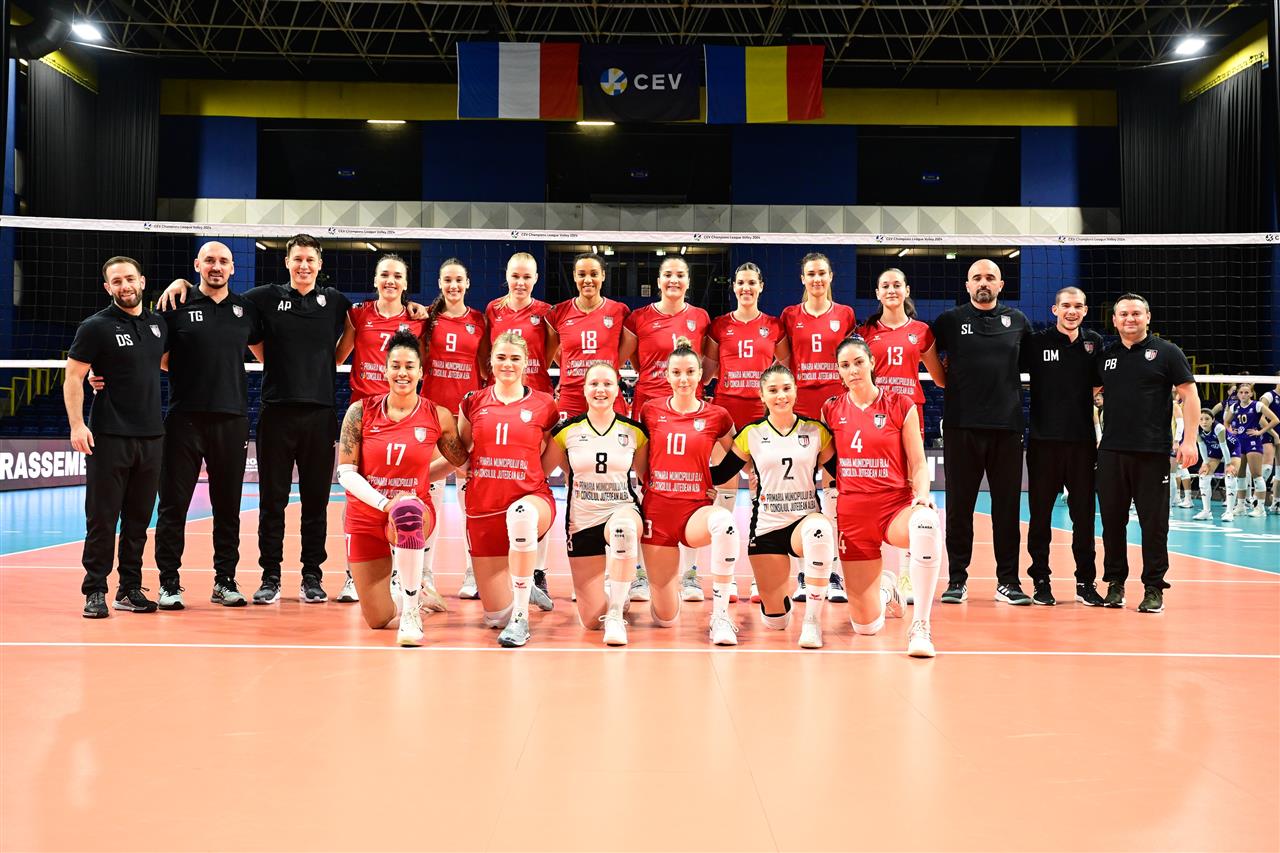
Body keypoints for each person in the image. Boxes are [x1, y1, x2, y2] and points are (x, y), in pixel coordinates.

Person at [158, 235, 429, 604]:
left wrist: (413, 306)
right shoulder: (262, 298)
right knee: (272, 502)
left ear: (319, 265)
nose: (304, 266)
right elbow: (224, 302)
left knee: (316, 503)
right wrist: (183, 284)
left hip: (319, 414)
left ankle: (311, 577)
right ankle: (270, 577)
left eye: (310, 260)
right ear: (287, 262)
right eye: (297, 259)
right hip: (276, 413)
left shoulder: (335, 302)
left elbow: (356, 337)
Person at [335, 331, 468, 646]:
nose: (402, 373)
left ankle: (411, 612)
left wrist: (422, 477)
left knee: (407, 512)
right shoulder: (360, 412)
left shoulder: (437, 416)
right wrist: (385, 504)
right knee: (377, 618)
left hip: (414, 512)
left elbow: (460, 462)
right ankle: (416, 592)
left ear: (421, 372)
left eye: (409, 366)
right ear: (385, 370)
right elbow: (345, 473)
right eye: (395, 366)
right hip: (366, 515)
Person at [152, 242, 260, 609]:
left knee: (227, 507)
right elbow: (156, 356)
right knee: (173, 506)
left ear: (233, 268)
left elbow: (264, 351)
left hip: (231, 419)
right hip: (184, 418)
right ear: (197, 264)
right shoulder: (175, 304)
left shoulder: (245, 310)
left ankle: (224, 581)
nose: (216, 266)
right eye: (210, 260)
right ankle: (169, 583)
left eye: (223, 261)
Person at [822, 337, 942, 657]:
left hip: (893, 509)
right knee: (866, 626)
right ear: (839, 371)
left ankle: (921, 626)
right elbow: (824, 461)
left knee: (927, 522)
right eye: (845, 365)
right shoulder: (831, 409)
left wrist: (923, 495)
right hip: (853, 517)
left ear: (872, 363)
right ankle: (887, 589)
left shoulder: (900, 405)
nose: (853, 370)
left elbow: (918, 463)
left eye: (858, 362)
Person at [65, 257, 168, 617]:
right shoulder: (95, 326)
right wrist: (77, 425)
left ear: (142, 281)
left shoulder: (158, 324)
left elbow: (163, 363)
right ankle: (95, 590)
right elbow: (73, 377)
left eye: (130, 279)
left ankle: (129, 589)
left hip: (152, 436)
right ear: (108, 287)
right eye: (117, 281)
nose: (125, 286)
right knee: (102, 518)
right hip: (109, 435)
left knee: (138, 520)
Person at [708, 365, 837, 649]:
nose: (781, 396)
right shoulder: (751, 433)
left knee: (820, 529)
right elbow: (722, 473)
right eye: (773, 390)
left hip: (804, 520)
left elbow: (840, 472)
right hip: (767, 526)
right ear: (762, 395)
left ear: (796, 391)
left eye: (787, 388)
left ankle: (812, 622)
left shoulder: (815, 431)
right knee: (775, 621)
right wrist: (693, 478)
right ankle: (780, 604)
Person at [930, 258, 1032, 606]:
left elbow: (1033, 364)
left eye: (990, 277)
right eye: (977, 278)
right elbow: (924, 350)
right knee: (959, 508)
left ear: (1001, 285)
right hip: (961, 426)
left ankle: (1008, 582)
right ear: (968, 285)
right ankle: (957, 580)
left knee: (1007, 509)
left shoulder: (1018, 321)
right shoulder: (949, 321)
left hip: (1007, 428)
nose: (983, 282)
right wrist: (941, 375)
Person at [1094, 293, 1200, 613]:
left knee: (1154, 525)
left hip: (1152, 452)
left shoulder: (1167, 352)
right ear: (1114, 320)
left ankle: (1154, 587)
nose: (1130, 318)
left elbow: (1190, 395)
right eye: (1124, 314)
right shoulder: (1106, 356)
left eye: (1136, 313)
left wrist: (1189, 441)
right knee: (1112, 523)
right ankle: (1115, 583)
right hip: (1111, 451)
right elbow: (1086, 394)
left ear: (1148, 317)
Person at [333, 253, 428, 604]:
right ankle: (352, 575)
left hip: (404, 415)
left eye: (397, 275)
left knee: (406, 491)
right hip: (365, 415)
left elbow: (423, 364)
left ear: (406, 283)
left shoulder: (418, 320)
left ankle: (406, 574)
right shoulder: (358, 315)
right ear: (375, 280)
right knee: (357, 492)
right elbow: (338, 357)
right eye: (384, 274)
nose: (390, 280)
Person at [458, 331, 561, 647]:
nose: (508, 364)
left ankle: (521, 618)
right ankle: (524, 588)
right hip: (483, 507)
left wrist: (529, 478)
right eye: (501, 357)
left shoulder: (544, 404)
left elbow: (552, 453)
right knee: (494, 618)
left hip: (530, 499)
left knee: (521, 514)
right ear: (490, 361)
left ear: (526, 362)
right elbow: (461, 452)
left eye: (515, 358)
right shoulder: (472, 402)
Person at [622, 256, 715, 604]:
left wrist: (690, 388)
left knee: (692, 487)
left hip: (690, 414)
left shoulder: (700, 317)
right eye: (667, 275)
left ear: (688, 281)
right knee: (647, 486)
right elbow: (631, 360)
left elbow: (706, 365)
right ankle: (640, 574)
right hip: (650, 412)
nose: (673, 280)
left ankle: (690, 574)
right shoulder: (639, 318)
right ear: (658, 280)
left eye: (679, 275)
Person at [637, 337, 741, 645]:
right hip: (658, 513)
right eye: (677, 372)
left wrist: (711, 478)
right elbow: (641, 460)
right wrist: (651, 484)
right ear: (667, 375)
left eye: (690, 372)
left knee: (725, 523)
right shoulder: (650, 410)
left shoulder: (717, 415)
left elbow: (738, 454)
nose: (683, 379)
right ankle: (659, 597)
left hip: (695, 511)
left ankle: (720, 616)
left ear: (700, 375)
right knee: (665, 618)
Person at [542, 363, 647, 646]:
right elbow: (539, 473)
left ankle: (616, 612)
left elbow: (650, 479)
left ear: (617, 389)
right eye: (594, 384)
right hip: (582, 520)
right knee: (590, 621)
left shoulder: (635, 432)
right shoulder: (567, 431)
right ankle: (614, 594)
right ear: (584, 389)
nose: (601, 390)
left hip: (622, 508)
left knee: (623, 530)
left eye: (608, 384)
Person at [857, 267, 945, 605]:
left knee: (911, 490)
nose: (891, 290)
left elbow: (940, 378)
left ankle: (907, 574)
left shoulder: (921, 332)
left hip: (909, 415)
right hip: (874, 417)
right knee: (875, 487)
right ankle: (877, 573)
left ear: (906, 290)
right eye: (885, 286)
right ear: (877, 293)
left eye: (897, 285)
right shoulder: (865, 332)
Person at [1018, 286, 1105, 607]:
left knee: (1084, 517)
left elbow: (1101, 384)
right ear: (1055, 310)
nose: (1072, 311)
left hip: (1082, 444)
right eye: (1066, 305)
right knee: (1040, 516)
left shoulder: (1094, 343)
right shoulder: (1036, 342)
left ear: (1085, 310)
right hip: (1043, 443)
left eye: (1078, 306)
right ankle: (1041, 581)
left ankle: (1085, 582)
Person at [779, 253, 858, 604]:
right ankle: (803, 572)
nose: (816, 279)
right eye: (810, 273)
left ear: (830, 276)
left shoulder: (845, 314)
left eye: (822, 273)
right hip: (800, 413)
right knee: (800, 493)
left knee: (834, 496)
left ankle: (834, 572)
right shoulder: (789, 316)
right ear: (802, 278)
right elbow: (783, 362)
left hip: (835, 413)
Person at [707, 262, 788, 603]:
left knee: (762, 494)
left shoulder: (773, 326)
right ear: (734, 286)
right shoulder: (719, 325)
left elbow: (784, 369)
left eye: (752, 282)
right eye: (740, 282)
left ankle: (760, 579)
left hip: (760, 416)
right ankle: (722, 579)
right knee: (724, 491)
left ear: (761, 286)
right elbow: (707, 371)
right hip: (726, 415)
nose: (746, 288)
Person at [485, 252, 559, 605]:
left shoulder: (546, 313)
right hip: (501, 405)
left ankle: (537, 572)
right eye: (515, 275)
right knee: (497, 483)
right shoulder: (493, 310)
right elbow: (486, 355)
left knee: (535, 483)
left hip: (536, 405)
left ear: (536, 278)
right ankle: (488, 566)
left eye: (527, 277)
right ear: (507, 275)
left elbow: (551, 354)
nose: (520, 282)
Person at [419, 257, 488, 600]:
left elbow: (487, 369)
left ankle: (473, 573)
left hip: (466, 422)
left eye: (459, 280)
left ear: (468, 283)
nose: (453, 286)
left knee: (469, 503)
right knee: (429, 499)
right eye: (448, 280)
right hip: (433, 419)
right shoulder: (427, 320)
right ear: (440, 283)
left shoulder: (479, 321)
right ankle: (424, 574)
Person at [548, 252, 634, 420]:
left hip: (607, 393)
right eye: (582, 274)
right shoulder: (559, 312)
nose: (587, 280)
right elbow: (553, 353)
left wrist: (609, 365)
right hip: (572, 395)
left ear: (603, 275)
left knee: (617, 437)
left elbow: (627, 348)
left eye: (594, 274)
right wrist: (571, 365)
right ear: (574, 276)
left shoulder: (619, 311)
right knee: (565, 437)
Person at [1223, 382, 1278, 520]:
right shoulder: (1234, 407)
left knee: (1257, 475)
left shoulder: (1257, 405)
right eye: (1241, 392)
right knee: (1240, 475)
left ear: (1251, 394)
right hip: (1239, 442)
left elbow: (1275, 420)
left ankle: (1260, 508)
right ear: (1237, 394)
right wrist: (1230, 431)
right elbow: (1226, 422)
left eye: (1246, 392)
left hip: (1253, 442)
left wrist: (1260, 432)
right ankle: (1241, 506)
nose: (1243, 395)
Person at [1193, 410, 1229, 520]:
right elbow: (1202, 446)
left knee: (1230, 475)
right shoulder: (1196, 429)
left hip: (1230, 449)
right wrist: (1206, 463)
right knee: (1203, 475)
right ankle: (1206, 512)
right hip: (1215, 451)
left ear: (1213, 419)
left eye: (1207, 419)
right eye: (1201, 419)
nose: (1204, 422)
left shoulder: (1219, 428)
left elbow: (1224, 446)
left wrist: (1228, 464)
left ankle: (1230, 512)